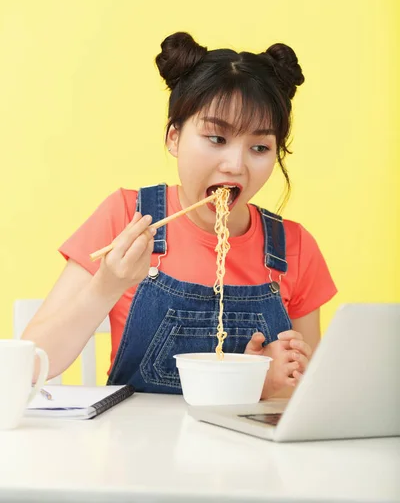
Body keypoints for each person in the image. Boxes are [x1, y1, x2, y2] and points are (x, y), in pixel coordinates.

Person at [23, 32, 337, 399]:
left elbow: (309, 396)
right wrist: (106, 286)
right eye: (217, 139)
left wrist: (266, 383)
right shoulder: (128, 216)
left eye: (259, 147)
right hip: (132, 447)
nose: (235, 165)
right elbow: (30, 365)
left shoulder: (294, 247)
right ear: (174, 137)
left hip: (245, 454)